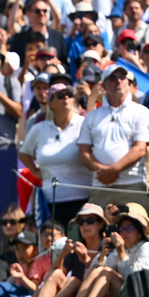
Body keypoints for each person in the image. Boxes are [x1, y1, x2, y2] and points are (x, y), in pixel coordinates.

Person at [77, 64, 149, 209]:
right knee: (92, 228)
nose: (118, 81)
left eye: (122, 77)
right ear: (104, 85)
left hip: (132, 185)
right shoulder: (92, 116)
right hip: (100, 187)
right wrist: (101, 170)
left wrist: (113, 170)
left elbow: (140, 149)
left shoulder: (141, 112)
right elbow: (83, 151)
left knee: (140, 230)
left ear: (127, 82)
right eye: (112, 78)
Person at [18, 83, 91, 225]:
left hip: (83, 199)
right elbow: (23, 153)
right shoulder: (39, 129)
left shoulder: (84, 124)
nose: (66, 98)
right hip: (51, 201)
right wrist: (35, 172)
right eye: (60, 95)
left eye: (69, 95)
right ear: (50, 102)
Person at [68, 209, 149, 297]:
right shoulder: (120, 249)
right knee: (99, 269)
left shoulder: (146, 247)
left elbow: (137, 280)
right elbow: (97, 272)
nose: (124, 232)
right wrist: (103, 254)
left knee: (107, 273)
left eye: (130, 228)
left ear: (140, 234)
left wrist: (121, 254)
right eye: (122, 228)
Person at [32, 203, 105, 297]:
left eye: (90, 221)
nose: (85, 225)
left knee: (74, 280)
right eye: (81, 222)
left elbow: (103, 276)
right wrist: (62, 254)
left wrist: (86, 260)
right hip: (73, 296)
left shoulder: (106, 246)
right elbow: (54, 272)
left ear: (101, 224)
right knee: (58, 274)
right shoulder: (77, 246)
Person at [0, 230, 51, 297]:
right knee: (3, 286)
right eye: (17, 248)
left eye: (24, 248)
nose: (20, 253)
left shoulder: (37, 262)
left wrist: (21, 277)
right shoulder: (24, 265)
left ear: (36, 250)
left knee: (2, 287)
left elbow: (34, 288)